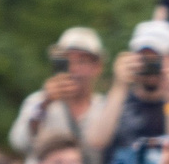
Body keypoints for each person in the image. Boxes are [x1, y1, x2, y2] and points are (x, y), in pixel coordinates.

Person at [7, 26, 105, 156]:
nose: (73, 68)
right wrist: (45, 104)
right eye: (66, 61)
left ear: (97, 67)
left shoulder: (105, 108)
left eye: (81, 62)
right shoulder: (37, 101)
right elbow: (19, 143)